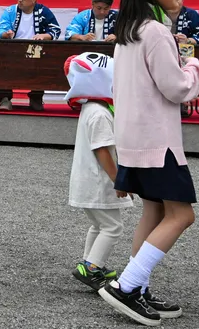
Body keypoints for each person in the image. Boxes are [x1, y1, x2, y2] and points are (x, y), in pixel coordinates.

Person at [98, 0, 199, 325]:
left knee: (155, 210)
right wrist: (194, 66)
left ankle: (137, 288)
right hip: (157, 141)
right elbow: (177, 88)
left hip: (133, 138)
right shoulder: (157, 31)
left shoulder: (130, 29)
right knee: (182, 214)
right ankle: (126, 286)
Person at [65, 51, 132, 291]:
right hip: (98, 183)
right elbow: (102, 150)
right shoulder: (100, 114)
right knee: (113, 227)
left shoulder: (92, 109)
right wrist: (119, 180)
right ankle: (92, 267)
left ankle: (90, 264)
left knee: (99, 225)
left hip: (86, 183)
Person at [0, 0, 61, 111]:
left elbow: (55, 30)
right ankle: (4, 99)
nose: (20, 0)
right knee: (1, 62)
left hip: (35, 49)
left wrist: (43, 36)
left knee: (42, 63)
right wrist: (5, 34)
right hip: (13, 48)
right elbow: (0, 28)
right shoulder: (10, 11)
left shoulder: (43, 11)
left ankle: (35, 98)